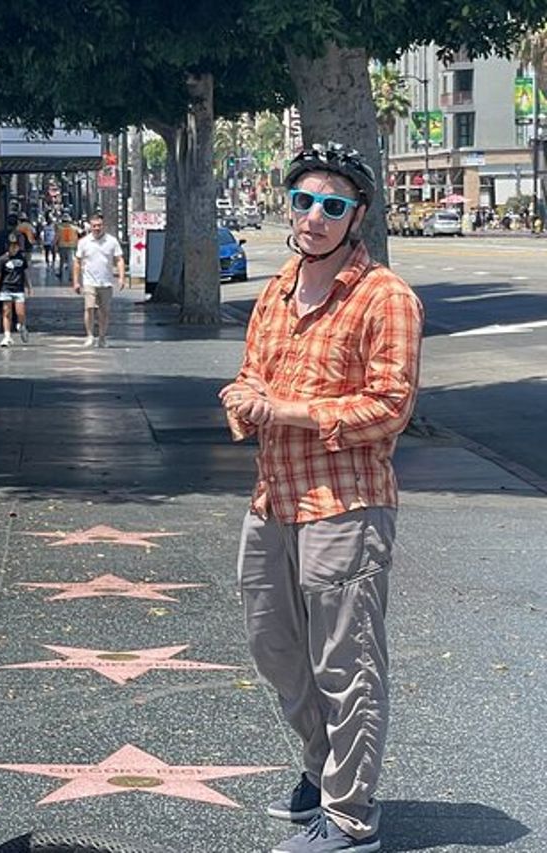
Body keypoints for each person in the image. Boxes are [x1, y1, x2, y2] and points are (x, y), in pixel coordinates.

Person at [219, 143, 422, 853]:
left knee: (347, 662)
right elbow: (252, 379)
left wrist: (291, 411)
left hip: (346, 502)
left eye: (332, 205)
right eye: (304, 200)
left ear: (356, 216)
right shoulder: (277, 289)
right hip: (273, 500)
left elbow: (390, 408)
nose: (314, 216)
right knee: (274, 646)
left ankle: (349, 816)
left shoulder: (384, 296)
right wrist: (243, 402)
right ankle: (320, 767)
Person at [72, 212, 124, 347]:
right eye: (94, 226)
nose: (97, 228)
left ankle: (102, 337)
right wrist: (76, 281)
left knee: (104, 311)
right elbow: (77, 262)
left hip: (106, 281)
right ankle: (89, 335)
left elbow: (119, 259)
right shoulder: (84, 242)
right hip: (89, 281)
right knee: (89, 308)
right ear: (90, 226)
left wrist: (121, 277)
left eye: (99, 225)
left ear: (103, 226)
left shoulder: (112, 241)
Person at [0, 232, 32, 347]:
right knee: (6, 312)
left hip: (18, 288)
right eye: (11, 246)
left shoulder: (22, 259)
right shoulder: (2, 259)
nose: (14, 248)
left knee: (20, 312)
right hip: (6, 288)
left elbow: (25, 272)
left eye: (16, 246)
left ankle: (21, 325)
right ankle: (7, 336)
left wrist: (29, 286)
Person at [56, 214, 79, 280]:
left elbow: (57, 237)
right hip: (71, 246)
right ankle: (71, 276)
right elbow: (78, 235)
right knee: (70, 262)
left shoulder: (59, 227)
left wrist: (54, 244)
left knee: (61, 261)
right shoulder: (74, 228)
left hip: (62, 246)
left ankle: (60, 273)